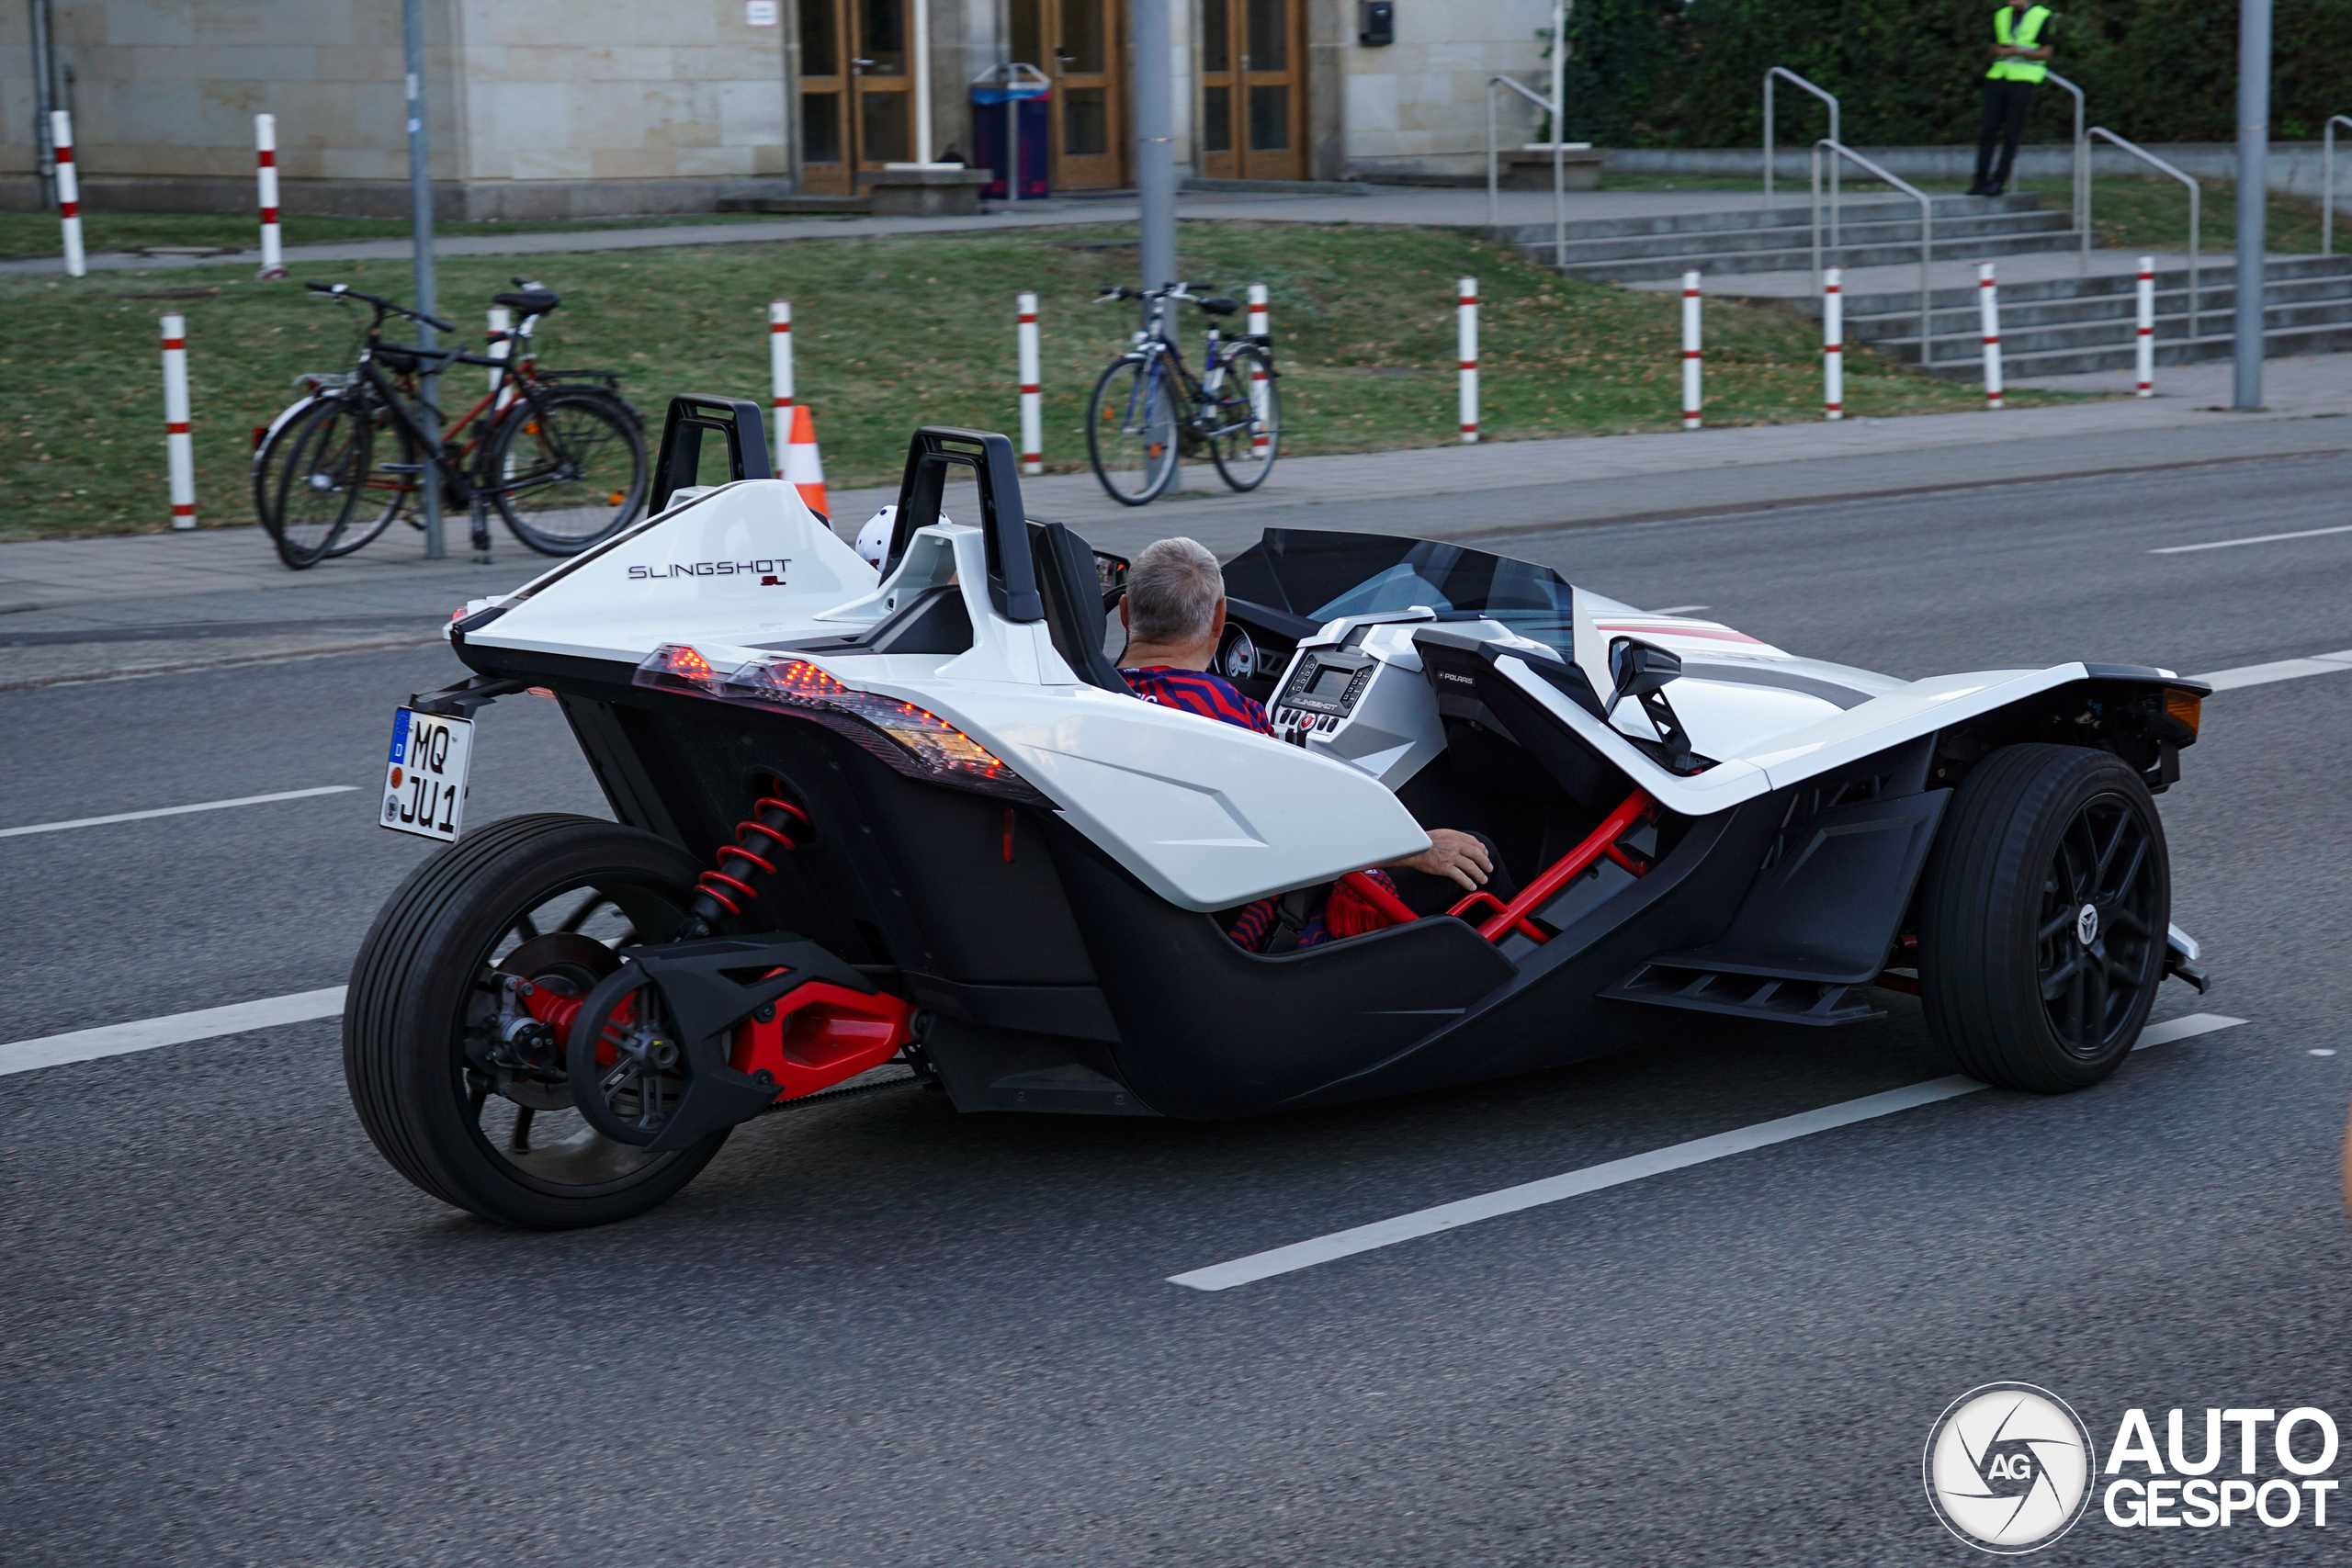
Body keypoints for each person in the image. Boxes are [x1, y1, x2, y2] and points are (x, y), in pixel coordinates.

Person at [1115, 536, 1504, 952]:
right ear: (1218, 620)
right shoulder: (1227, 719)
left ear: (1124, 614)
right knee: (1479, 857)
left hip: (1149, 924)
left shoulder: (1089, 694)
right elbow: (1297, 831)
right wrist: (1414, 850)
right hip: (1260, 931)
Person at [1969, 0, 2054, 197]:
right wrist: (1998, 51)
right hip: (1998, 76)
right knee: (1987, 131)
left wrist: (2019, 51)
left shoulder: (2040, 15)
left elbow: (2046, 52)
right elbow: (1991, 47)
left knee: (2011, 133)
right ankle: (1980, 180)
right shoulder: (2001, 15)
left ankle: (1999, 181)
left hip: (2023, 79)